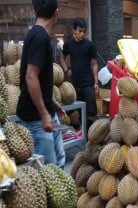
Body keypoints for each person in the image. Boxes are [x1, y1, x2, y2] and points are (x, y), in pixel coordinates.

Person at [16, 0, 66, 168]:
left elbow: (40, 78)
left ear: (34, 9)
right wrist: (44, 114)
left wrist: (51, 103)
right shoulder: (40, 38)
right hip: (36, 118)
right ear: (56, 12)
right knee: (48, 171)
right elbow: (31, 77)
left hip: (45, 113)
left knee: (58, 163)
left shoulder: (37, 35)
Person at [60, 18, 99, 122]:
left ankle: (92, 136)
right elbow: (62, 57)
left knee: (91, 113)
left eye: (84, 32)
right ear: (74, 30)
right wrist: (66, 70)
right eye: (80, 31)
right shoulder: (68, 44)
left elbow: (95, 64)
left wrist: (96, 82)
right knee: (80, 113)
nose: (82, 34)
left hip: (88, 84)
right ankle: (83, 135)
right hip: (75, 85)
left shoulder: (90, 45)